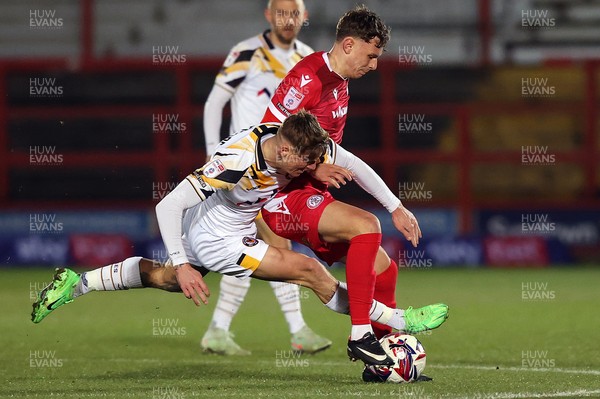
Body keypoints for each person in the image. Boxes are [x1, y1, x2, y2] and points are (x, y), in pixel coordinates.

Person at [31, 111, 448, 367]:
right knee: (307, 270)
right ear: (286, 153)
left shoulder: (286, 136)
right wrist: (182, 260)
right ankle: (396, 322)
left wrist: (319, 169)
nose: (316, 165)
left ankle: (78, 283)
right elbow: (167, 206)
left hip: (221, 221)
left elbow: (343, 161)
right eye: (309, 161)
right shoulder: (234, 163)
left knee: (163, 280)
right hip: (218, 235)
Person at [259, 5, 427, 353]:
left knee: (384, 270)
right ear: (348, 45)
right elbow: (267, 137)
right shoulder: (309, 78)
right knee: (366, 225)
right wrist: (312, 167)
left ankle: (386, 353)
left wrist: (396, 206)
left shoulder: (340, 84)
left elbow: (339, 154)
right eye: (371, 55)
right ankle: (360, 336)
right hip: (279, 196)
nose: (374, 64)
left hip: (307, 193)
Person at [201, 0, 330, 356]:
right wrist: (215, 153)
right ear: (268, 16)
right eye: (281, 12)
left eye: (294, 13)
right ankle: (298, 330)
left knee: (244, 248)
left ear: (304, 18)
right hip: (246, 167)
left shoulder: (309, 60)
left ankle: (217, 329)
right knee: (276, 245)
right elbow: (215, 103)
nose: (287, 20)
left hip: (283, 171)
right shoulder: (246, 52)